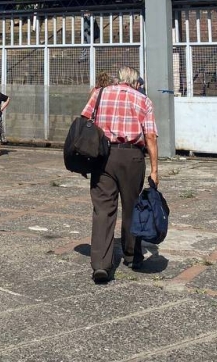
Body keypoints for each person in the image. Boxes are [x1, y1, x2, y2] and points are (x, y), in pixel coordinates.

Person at [82, 66, 158, 284]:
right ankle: (132, 255)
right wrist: (154, 170)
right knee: (132, 206)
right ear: (135, 82)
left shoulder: (100, 93)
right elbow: (151, 137)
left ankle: (101, 264)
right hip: (131, 157)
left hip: (102, 156)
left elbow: (84, 119)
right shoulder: (143, 100)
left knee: (103, 209)